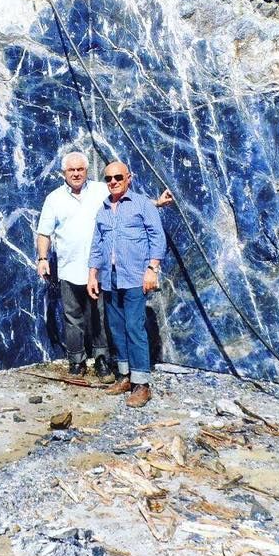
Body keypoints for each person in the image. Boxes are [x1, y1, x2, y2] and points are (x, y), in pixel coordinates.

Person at [37, 152, 171, 378]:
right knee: (73, 318)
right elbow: (44, 232)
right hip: (70, 269)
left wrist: (156, 203)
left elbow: (130, 202)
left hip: (102, 271)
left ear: (87, 171)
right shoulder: (54, 199)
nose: (77, 173)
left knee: (102, 318)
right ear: (64, 173)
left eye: (81, 169)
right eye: (72, 170)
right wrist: (42, 259)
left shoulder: (102, 189)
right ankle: (76, 361)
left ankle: (103, 361)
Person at [87, 160, 166, 408]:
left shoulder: (142, 205)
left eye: (118, 177)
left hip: (134, 277)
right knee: (116, 328)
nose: (113, 182)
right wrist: (92, 275)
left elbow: (157, 237)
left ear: (128, 177)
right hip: (110, 280)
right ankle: (124, 376)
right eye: (108, 178)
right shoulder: (102, 210)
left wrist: (152, 269)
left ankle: (142, 384)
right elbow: (97, 246)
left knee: (134, 327)